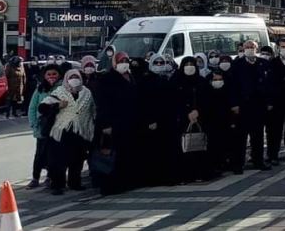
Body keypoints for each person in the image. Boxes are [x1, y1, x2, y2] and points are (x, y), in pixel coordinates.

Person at [38, 69, 95, 195]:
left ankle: (75, 183)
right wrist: (57, 106)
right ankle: (58, 184)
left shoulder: (87, 93)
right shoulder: (60, 92)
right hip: (62, 131)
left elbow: (92, 111)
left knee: (77, 159)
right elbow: (42, 107)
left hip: (80, 131)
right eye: (71, 77)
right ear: (66, 79)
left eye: (77, 77)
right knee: (59, 160)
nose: (74, 79)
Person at [92, 52, 139, 195]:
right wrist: (106, 124)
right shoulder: (107, 79)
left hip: (127, 123)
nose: (124, 63)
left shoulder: (130, 77)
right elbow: (103, 103)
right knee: (110, 156)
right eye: (121, 60)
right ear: (114, 62)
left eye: (126, 60)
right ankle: (110, 186)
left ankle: (125, 183)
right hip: (111, 124)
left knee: (125, 154)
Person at [138, 55, 181, 186]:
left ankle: (168, 177)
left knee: (168, 150)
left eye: (161, 62)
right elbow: (144, 103)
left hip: (168, 122)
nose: (159, 64)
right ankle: (153, 178)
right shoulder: (146, 80)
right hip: (153, 123)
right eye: (155, 62)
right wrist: (150, 119)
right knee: (153, 151)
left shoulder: (169, 78)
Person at [230, 40, 272, 171]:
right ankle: (238, 164)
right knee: (240, 137)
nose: (249, 49)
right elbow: (233, 86)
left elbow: (270, 85)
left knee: (258, 136)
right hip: (243, 106)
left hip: (259, 106)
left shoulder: (263, 64)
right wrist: (234, 104)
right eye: (247, 47)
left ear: (256, 49)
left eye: (252, 47)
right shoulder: (237, 64)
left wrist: (269, 102)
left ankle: (258, 161)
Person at [173, 56, 213, 182]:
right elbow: (172, 101)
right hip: (181, 121)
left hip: (199, 120)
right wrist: (186, 113)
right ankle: (184, 175)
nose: (189, 67)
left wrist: (198, 111)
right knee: (183, 149)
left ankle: (200, 173)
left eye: (192, 64)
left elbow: (208, 100)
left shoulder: (201, 81)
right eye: (187, 64)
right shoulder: (175, 81)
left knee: (199, 148)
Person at [27, 64, 61, 189]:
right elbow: (32, 107)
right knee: (39, 153)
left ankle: (49, 177)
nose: (51, 77)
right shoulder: (40, 89)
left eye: (54, 74)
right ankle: (35, 178)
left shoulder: (62, 88)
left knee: (53, 154)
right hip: (42, 127)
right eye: (49, 74)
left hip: (57, 127)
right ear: (44, 76)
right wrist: (34, 124)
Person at [206, 70, 237, 174]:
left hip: (226, 122)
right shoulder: (208, 92)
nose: (217, 81)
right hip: (212, 123)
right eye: (215, 80)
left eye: (220, 79)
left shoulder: (228, 91)